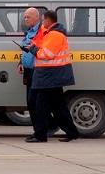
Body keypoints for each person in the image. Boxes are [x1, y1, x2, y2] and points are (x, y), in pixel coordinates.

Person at [24, 10, 80, 143]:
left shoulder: (55, 35)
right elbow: (41, 43)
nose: (42, 23)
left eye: (43, 20)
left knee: (40, 106)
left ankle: (40, 135)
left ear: (49, 21)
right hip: (51, 75)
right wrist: (34, 44)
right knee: (58, 107)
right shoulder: (50, 33)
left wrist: (32, 49)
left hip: (49, 76)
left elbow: (46, 54)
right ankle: (72, 132)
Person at [18, 8, 58, 140]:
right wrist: (21, 62)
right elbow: (26, 50)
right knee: (31, 103)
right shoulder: (29, 32)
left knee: (35, 102)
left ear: (37, 18)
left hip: (38, 71)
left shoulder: (42, 32)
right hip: (29, 71)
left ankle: (43, 130)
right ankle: (41, 130)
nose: (25, 19)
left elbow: (39, 49)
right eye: (24, 17)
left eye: (28, 17)